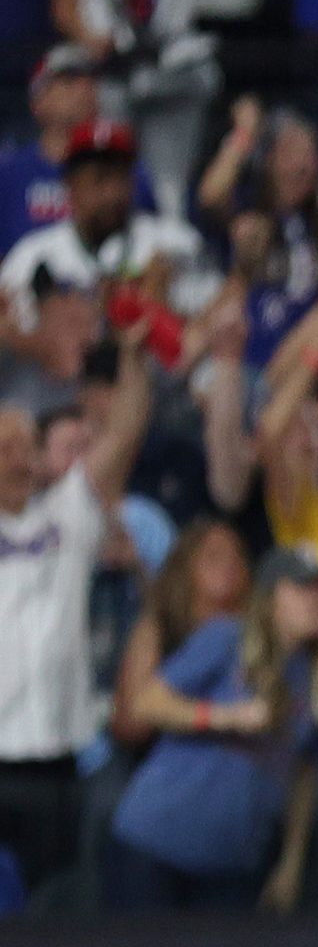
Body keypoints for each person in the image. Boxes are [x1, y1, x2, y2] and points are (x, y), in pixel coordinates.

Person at [0, 311, 152, 897]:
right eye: (3, 447)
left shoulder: (69, 515)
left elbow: (127, 433)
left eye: (24, 446)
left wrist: (134, 359)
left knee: (54, 917)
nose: (16, 457)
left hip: (59, 764)